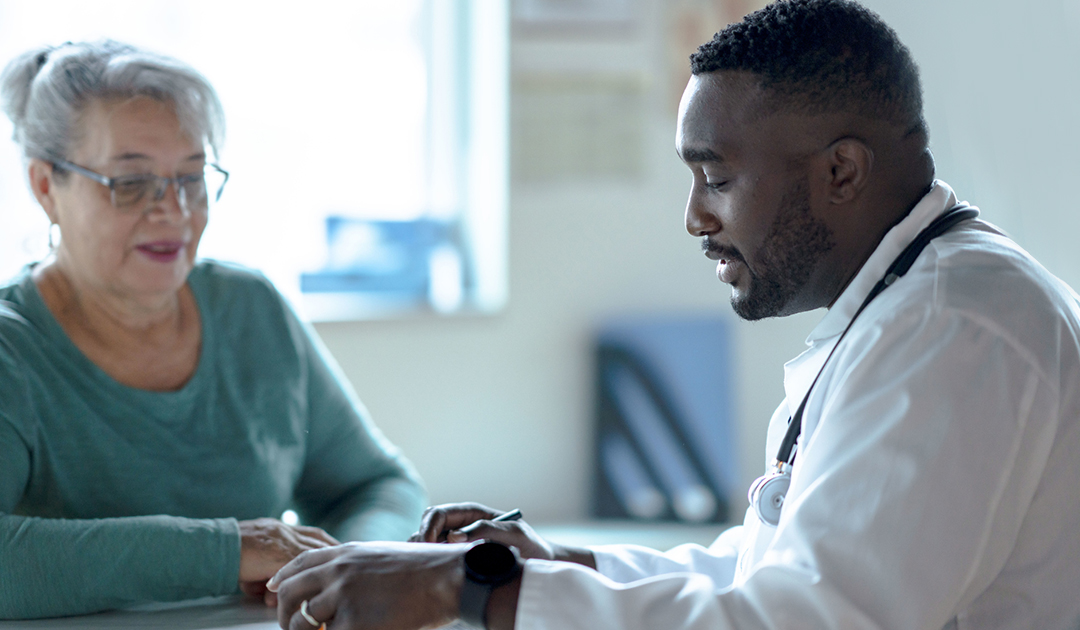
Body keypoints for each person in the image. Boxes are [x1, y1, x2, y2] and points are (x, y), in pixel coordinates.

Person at [265, 1, 1080, 628]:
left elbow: (805, 619)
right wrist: (556, 561)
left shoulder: (953, 328)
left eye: (716, 177)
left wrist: (471, 588)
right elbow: (767, 570)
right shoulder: (914, 302)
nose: (694, 218)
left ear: (841, 171)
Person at [0, 40, 426, 620]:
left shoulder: (252, 309)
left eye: (192, 178)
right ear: (45, 187)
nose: (175, 210)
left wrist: (346, 564)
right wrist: (228, 550)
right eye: (131, 183)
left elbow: (377, 485)